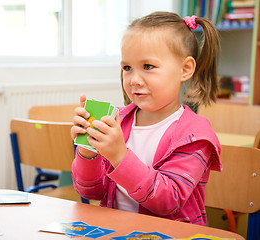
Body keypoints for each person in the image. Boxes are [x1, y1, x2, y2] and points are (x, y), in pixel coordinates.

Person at [71, 11, 222, 225]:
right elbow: (92, 192)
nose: (134, 79)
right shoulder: (116, 121)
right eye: (127, 68)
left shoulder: (195, 134)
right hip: (118, 231)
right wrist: (87, 153)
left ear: (185, 69)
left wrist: (119, 156)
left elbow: (168, 201)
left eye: (148, 67)